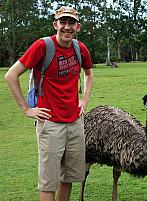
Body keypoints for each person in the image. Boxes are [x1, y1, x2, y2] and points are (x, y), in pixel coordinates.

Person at [4, 6, 94, 201]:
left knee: (68, 177)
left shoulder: (80, 49)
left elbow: (88, 73)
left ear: (77, 27)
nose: (67, 27)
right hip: (50, 124)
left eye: (71, 23)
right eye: (63, 22)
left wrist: (84, 100)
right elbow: (11, 75)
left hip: (75, 122)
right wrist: (26, 109)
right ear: (56, 24)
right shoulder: (42, 47)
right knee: (48, 182)